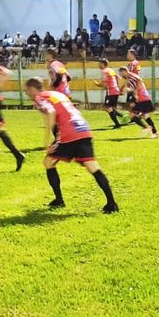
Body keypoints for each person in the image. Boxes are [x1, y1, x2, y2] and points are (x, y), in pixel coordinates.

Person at [26, 77, 119, 214]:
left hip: (68, 133)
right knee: (93, 167)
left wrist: (47, 139)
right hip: (83, 129)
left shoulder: (39, 97)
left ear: (31, 89)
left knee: (48, 162)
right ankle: (112, 204)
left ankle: (59, 200)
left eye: (27, 90)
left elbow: (51, 112)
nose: (26, 93)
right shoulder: (57, 94)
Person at [119, 67, 159, 139]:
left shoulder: (131, 75)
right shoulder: (129, 78)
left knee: (133, 114)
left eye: (121, 73)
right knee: (145, 115)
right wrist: (125, 91)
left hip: (143, 97)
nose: (121, 75)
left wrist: (136, 93)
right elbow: (132, 88)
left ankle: (149, 128)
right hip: (143, 98)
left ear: (124, 71)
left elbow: (139, 80)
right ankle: (154, 132)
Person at [96, 58, 125, 129]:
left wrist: (97, 84)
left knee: (107, 108)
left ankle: (118, 124)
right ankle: (123, 116)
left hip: (111, 92)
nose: (98, 65)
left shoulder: (104, 71)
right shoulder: (111, 70)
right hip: (115, 91)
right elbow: (118, 78)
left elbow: (103, 83)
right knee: (111, 108)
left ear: (102, 64)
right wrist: (118, 88)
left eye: (99, 63)